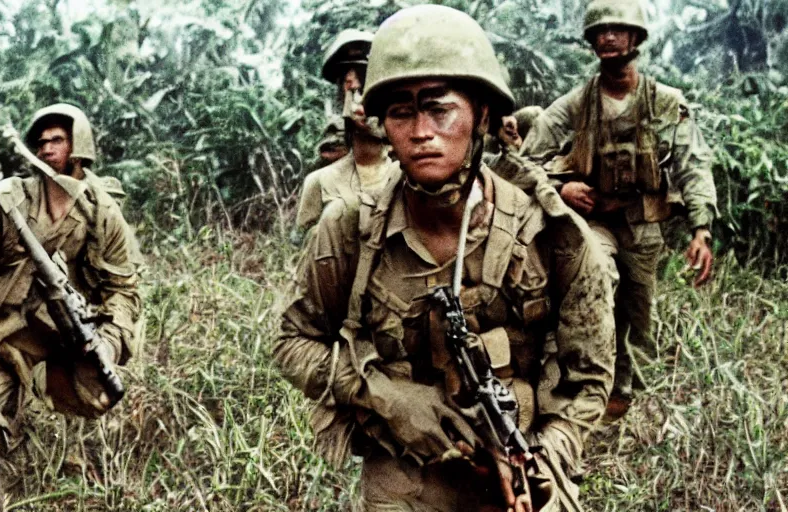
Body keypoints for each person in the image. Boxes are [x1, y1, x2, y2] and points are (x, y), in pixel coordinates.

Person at [274, 5, 615, 511]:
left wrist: (542, 458)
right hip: (406, 473)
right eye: (401, 112)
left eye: (439, 109)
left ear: (481, 114)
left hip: (520, 470)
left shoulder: (551, 232)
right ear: (383, 126)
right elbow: (292, 341)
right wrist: (387, 397)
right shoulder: (350, 226)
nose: (420, 131)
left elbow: (588, 380)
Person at [0, 104, 141, 511]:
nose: (47, 148)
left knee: (100, 401)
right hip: (2, 341)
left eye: (58, 140)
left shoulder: (103, 214)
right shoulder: (3, 202)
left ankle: (63, 446)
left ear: (79, 147)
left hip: (68, 347)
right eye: (41, 141)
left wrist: (108, 342)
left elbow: (124, 290)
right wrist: (15, 290)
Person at [518, 0, 718, 418]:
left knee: (639, 313)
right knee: (596, 289)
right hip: (595, 222)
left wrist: (702, 229)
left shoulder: (664, 102)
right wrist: (562, 186)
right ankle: (590, 387)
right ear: (592, 41)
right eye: (600, 31)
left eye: (617, 30)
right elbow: (526, 159)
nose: (608, 37)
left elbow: (693, 163)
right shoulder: (576, 103)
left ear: (635, 38)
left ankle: (633, 398)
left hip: (643, 223)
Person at [297, 28, 392, 235]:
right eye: (347, 76)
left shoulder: (408, 176)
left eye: (361, 72)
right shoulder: (320, 182)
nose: (353, 82)